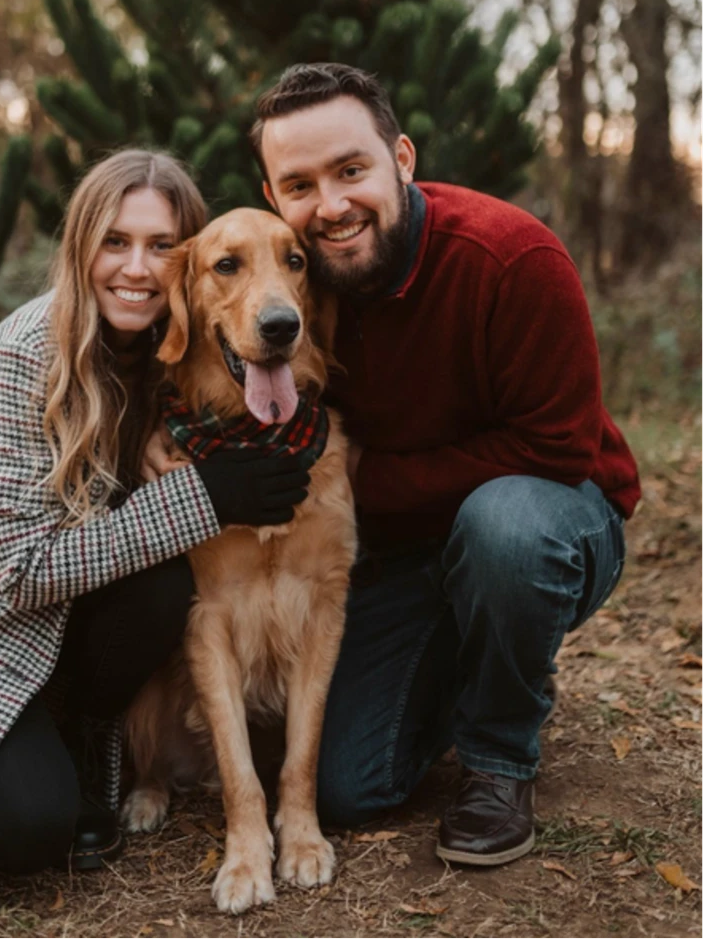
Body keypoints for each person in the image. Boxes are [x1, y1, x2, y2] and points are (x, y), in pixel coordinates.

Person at [0, 148, 310, 912]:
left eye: (160, 246)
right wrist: (205, 496)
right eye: (115, 241)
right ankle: (22, 750)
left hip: (55, 625)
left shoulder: (169, 353)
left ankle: (84, 733)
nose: (137, 268)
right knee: (27, 826)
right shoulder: (26, 354)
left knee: (166, 577)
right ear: (80, 246)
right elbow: (22, 570)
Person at [248, 63, 640, 866]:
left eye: (351, 170)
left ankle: (499, 757)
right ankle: (478, 662)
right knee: (339, 788)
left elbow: (558, 449)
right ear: (271, 196)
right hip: (400, 550)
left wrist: (357, 482)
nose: (330, 205)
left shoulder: (512, 258)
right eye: (300, 184)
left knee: (505, 528)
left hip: (554, 519)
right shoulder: (290, 294)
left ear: (402, 157)